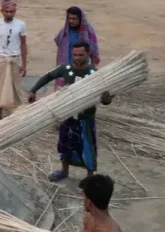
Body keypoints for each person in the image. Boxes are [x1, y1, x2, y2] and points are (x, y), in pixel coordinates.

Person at [27, 42, 111, 182]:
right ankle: (64, 170)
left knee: (87, 147)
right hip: (68, 115)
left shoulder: (94, 74)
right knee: (64, 144)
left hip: (85, 117)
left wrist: (106, 99)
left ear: (88, 54)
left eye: (81, 55)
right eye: (75, 55)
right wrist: (33, 90)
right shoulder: (66, 68)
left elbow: (106, 98)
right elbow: (48, 76)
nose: (77, 58)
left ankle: (90, 177)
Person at [0, 0, 27, 124]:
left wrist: (24, 64)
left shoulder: (21, 25)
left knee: (16, 87)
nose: (9, 14)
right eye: (7, 11)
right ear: (2, 11)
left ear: (15, 11)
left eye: (12, 11)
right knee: (0, 87)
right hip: (2, 58)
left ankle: (19, 114)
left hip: (15, 58)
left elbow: (23, 44)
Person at [53, 7, 99, 90]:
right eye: (69, 18)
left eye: (74, 19)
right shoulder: (64, 33)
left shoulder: (88, 33)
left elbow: (93, 54)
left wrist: (92, 74)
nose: (71, 21)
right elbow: (60, 52)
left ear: (80, 19)